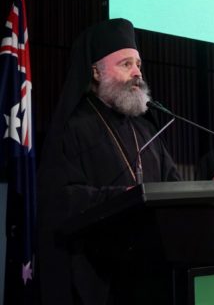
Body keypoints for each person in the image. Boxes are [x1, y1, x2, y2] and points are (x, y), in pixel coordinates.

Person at [37, 19, 181, 305]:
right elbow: (62, 199)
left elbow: (173, 186)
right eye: (126, 64)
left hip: (154, 273)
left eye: (138, 64)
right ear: (96, 72)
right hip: (100, 278)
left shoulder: (147, 129)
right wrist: (124, 198)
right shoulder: (73, 127)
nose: (137, 73)